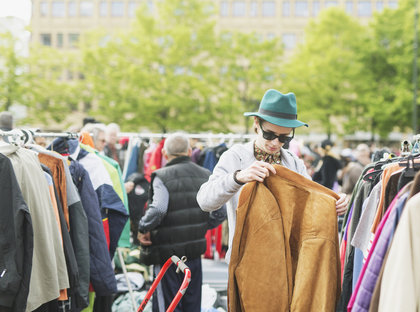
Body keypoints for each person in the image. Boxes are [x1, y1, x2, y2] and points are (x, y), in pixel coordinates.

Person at [197, 89, 348, 262]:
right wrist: (238, 177)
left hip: (287, 262)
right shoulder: (235, 156)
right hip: (245, 261)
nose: (276, 143)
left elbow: (311, 203)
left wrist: (335, 203)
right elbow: (205, 201)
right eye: (269, 134)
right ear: (256, 123)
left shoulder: (293, 162)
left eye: (285, 138)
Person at [137, 132, 211, 312]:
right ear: (189, 150)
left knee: (168, 307)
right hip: (194, 254)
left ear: (164, 153)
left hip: (167, 257)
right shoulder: (206, 174)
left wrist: (142, 226)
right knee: (192, 305)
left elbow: (159, 209)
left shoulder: (162, 176)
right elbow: (218, 212)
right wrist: (200, 225)